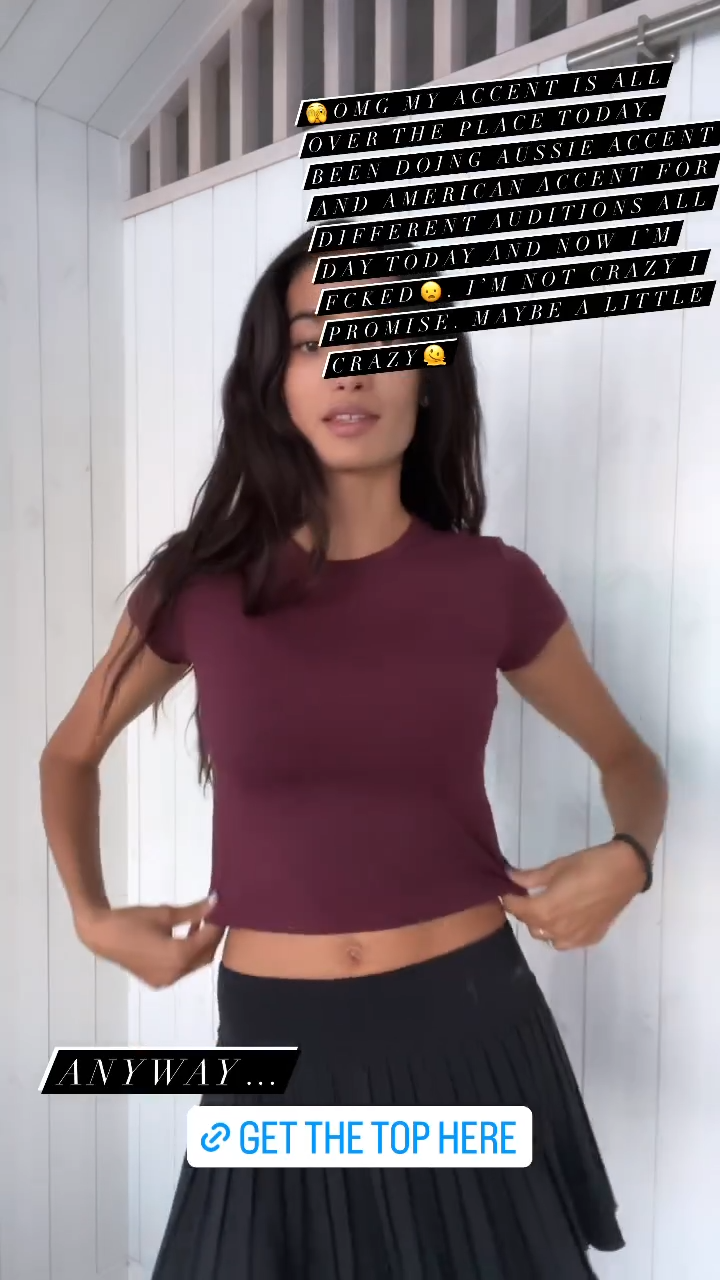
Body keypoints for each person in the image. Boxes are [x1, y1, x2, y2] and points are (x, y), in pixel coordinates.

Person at [39, 227, 667, 1279]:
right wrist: (91, 915)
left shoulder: (493, 583)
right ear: (275, 378)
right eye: (314, 340)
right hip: (275, 1048)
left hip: (474, 1026)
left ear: (430, 375)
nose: (350, 367)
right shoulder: (201, 588)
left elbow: (630, 759)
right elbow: (68, 755)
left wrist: (631, 857)